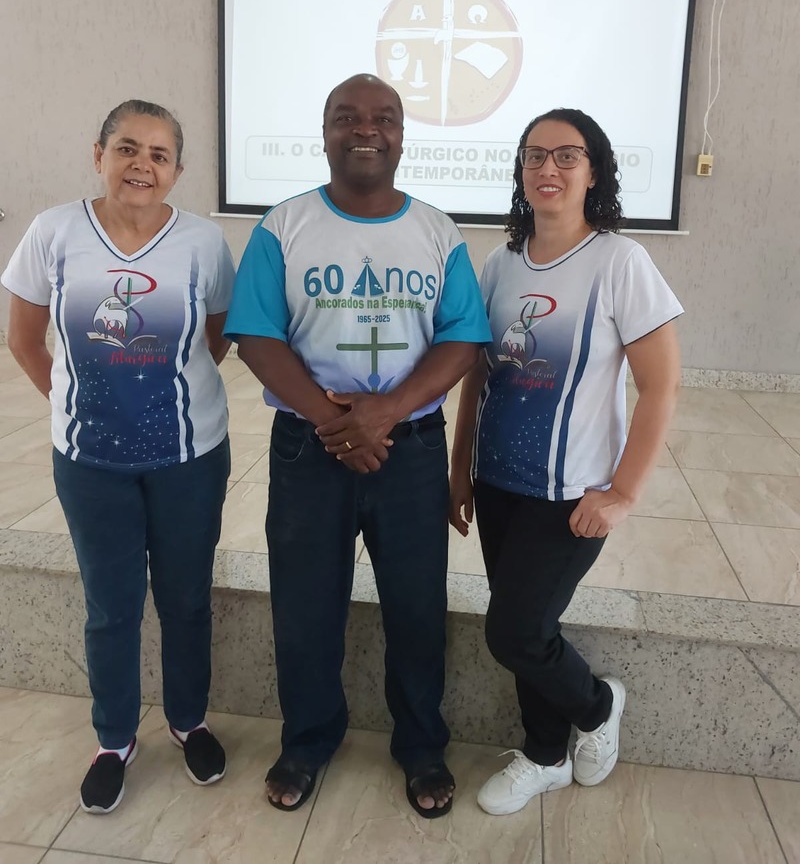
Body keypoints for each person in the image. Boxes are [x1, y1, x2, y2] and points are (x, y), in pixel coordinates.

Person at [224, 73, 490, 818]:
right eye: (347, 117)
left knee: (416, 606)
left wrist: (386, 414)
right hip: (309, 449)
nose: (365, 129)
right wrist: (333, 422)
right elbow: (256, 335)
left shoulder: (437, 231)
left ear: (402, 136)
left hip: (410, 448)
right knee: (305, 606)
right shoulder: (283, 226)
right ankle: (308, 740)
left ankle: (422, 746)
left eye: (383, 118)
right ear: (325, 133)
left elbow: (463, 338)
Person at [1, 100, 235, 815]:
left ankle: (188, 721)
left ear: (177, 171)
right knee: (111, 604)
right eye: (128, 148)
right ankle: (114, 739)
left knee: (187, 597)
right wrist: (73, 402)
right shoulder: (54, 232)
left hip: (189, 456)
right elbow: (24, 338)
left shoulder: (203, 243)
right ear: (98, 154)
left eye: (159, 155)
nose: (142, 165)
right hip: (90, 461)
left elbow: (216, 340)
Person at [449, 108, 682, 816]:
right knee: (529, 625)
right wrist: (460, 469)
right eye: (534, 155)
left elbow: (661, 385)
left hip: (571, 492)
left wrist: (622, 493)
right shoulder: (500, 264)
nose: (547, 168)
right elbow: (477, 375)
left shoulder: (620, 262)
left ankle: (598, 705)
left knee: (514, 631)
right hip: (498, 482)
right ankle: (546, 756)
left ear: (594, 171)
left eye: (566, 155)